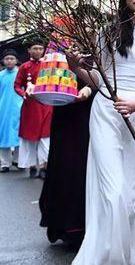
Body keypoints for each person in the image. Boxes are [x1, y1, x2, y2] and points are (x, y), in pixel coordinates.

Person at [69, 0, 135, 265]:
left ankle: (127, 258)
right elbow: (99, 79)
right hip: (105, 111)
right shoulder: (106, 32)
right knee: (112, 192)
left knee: (133, 196)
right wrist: (75, 67)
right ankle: (107, 257)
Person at [39, 80, 94, 248]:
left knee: (88, 162)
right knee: (67, 161)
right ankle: (68, 226)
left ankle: (89, 224)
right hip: (65, 101)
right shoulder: (58, 53)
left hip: (94, 105)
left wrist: (91, 87)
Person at [14, 40, 54, 179]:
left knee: (45, 137)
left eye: (40, 48)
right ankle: (32, 165)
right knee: (29, 138)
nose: (37, 51)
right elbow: (17, 85)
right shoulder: (24, 67)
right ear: (29, 51)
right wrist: (24, 94)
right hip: (30, 106)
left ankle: (44, 166)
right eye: (34, 48)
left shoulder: (48, 65)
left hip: (47, 105)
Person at [0, 50, 24, 173]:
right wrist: (1, 103)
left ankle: (17, 159)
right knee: (3, 135)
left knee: (19, 135)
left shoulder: (21, 73)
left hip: (19, 108)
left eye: (12, 58)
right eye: (7, 58)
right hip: (2, 110)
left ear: (16, 60)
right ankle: (5, 163)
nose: (9, 61)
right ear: (3, 61)